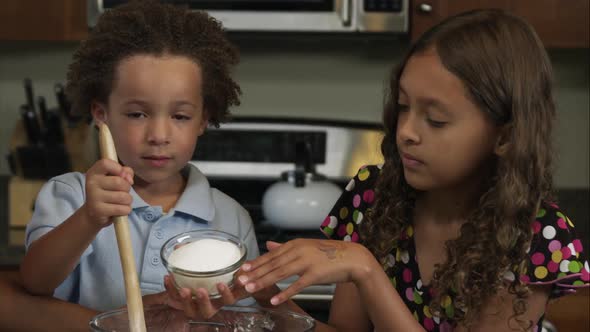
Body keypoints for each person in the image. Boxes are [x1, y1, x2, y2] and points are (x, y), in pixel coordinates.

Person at [228, 9, 590, 331]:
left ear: (504, 136)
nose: (405, 132)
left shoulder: (534, 237)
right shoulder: (373, 198)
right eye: (403, 107)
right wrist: (266, 302)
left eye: (435, 120)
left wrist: (366, 270)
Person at [17, 0, 258, 317]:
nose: (159, 134)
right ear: (101, 114)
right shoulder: (71, 195)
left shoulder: (231, 218)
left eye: (180, 116)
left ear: (203, 120)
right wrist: (89, 218)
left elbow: (247, 318)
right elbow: (35, 283)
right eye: (137, 113)